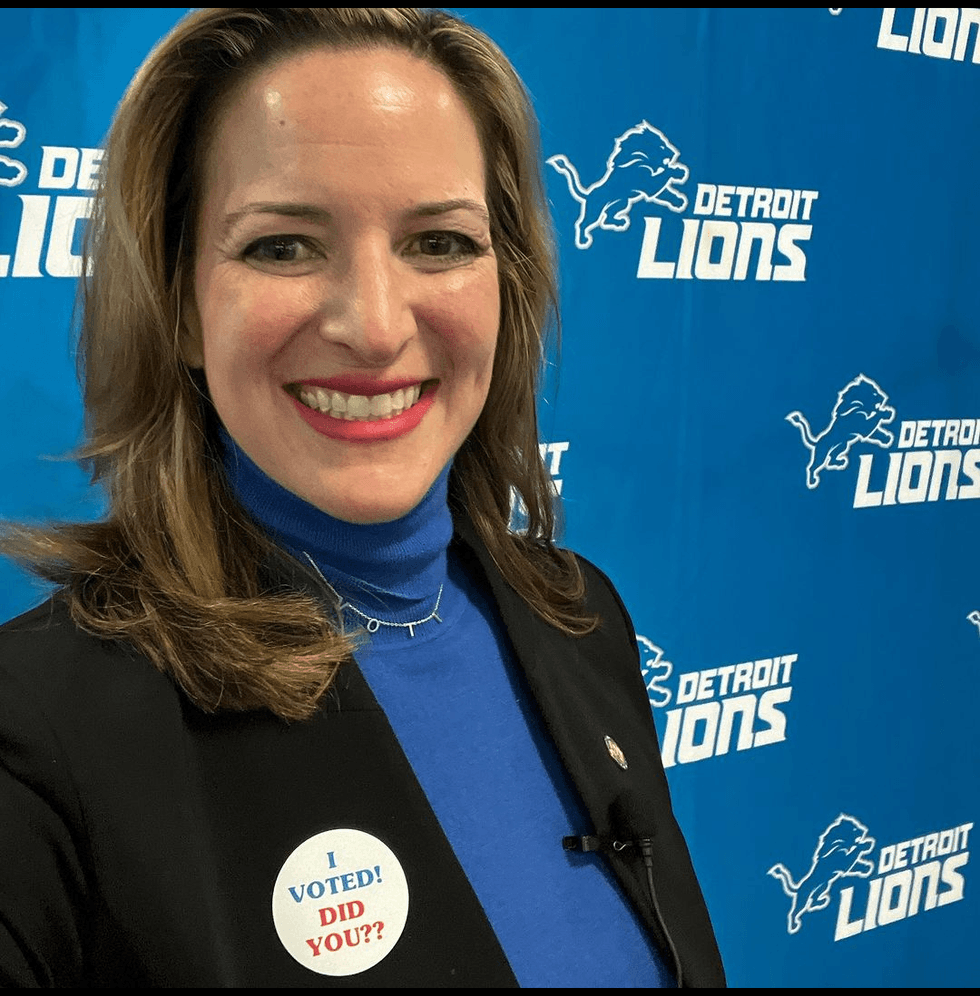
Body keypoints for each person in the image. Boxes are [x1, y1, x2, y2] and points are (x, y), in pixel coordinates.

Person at [0, 8, 725, 988]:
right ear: (177, 302)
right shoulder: (41, 732)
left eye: (437, 242)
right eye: (283, 247)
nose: (376, 328)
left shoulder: (582, 617)